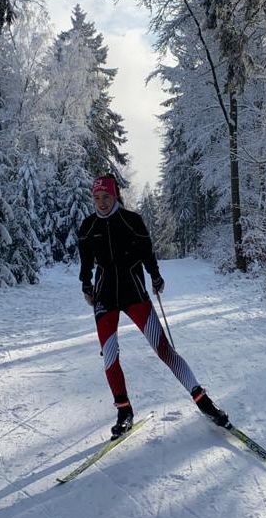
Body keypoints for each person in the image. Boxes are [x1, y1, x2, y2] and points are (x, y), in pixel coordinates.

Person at [78, 174, 229, 438]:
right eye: (97, 198)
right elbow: (85, 263)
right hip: (104, 297)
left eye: (106, 197)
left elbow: (148, 252)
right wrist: (86, 285)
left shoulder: (131, 220)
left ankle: (203, 401)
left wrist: (156, 276)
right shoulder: (88, 226)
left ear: (115, 197)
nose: (101, 203)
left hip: (134, 293)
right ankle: (124, 411)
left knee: (164, 350)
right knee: (110, 355)